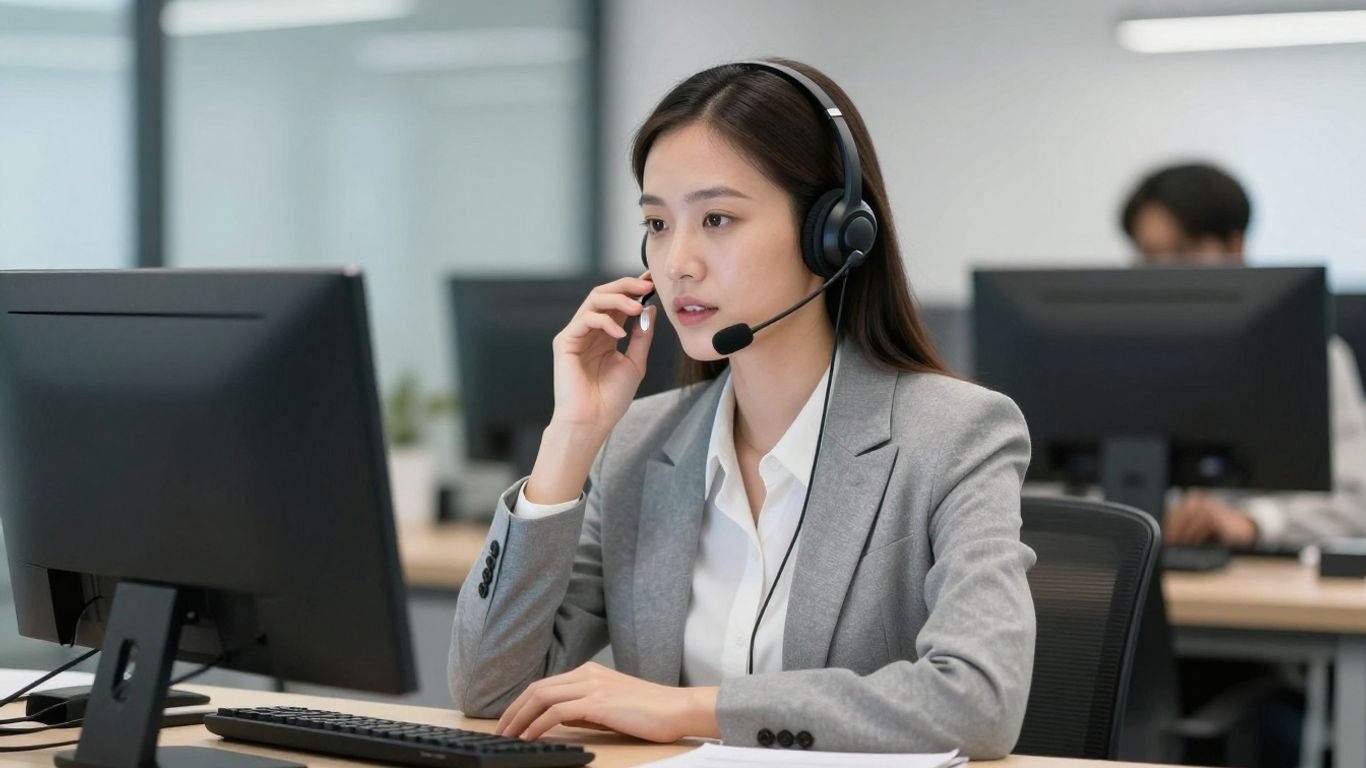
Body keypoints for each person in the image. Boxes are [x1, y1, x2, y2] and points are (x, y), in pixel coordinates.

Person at [447, 59, 1037, 758]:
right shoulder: (639, 442)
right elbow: (488, 690)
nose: (678, 264)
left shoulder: (955, 436)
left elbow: (978, 701)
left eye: (717, 218)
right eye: (659, 224)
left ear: (834, 233)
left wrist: (692, 710)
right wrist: (571, 438)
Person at [1122, 162, 1366, 549]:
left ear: (1234, 247)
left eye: (1183, 252)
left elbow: (1357, 499)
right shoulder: (1113, 361)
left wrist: (1254, 522)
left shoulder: (1318, 359)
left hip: (1257, 580)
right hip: (1129, 570)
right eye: (1150, 256)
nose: (1165, 274)